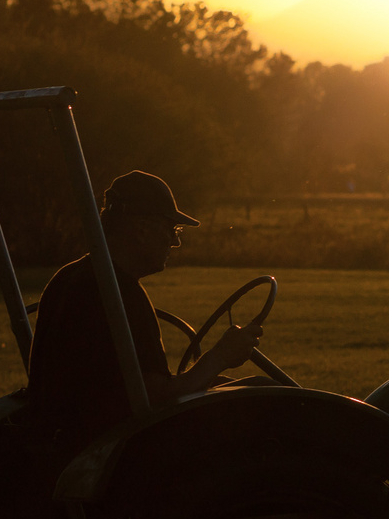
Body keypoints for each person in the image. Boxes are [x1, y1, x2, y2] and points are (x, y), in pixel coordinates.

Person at [25, 170, 260, 456]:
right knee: (267, 398)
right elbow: (154, 398)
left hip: (73, 435)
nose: (176, 243)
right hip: (113, 446)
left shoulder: (71, 278)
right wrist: (220, 357)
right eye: (172, 230)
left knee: (251, 387)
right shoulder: (117, 293)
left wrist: (213, 377)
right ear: (141, 230)